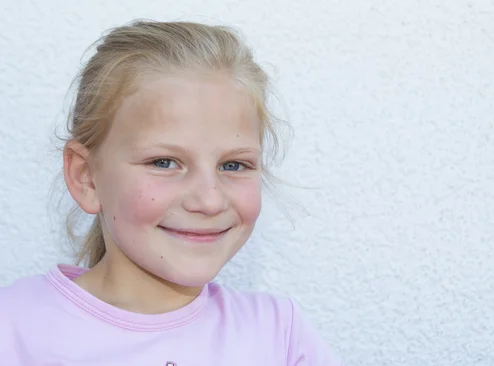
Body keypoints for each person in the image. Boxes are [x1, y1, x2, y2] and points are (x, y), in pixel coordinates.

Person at [0, 19, 342, 365]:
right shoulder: (13, 328)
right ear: (86, 177)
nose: (209, 201)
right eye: (164, 162)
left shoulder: (280, 337)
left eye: (233, 165)